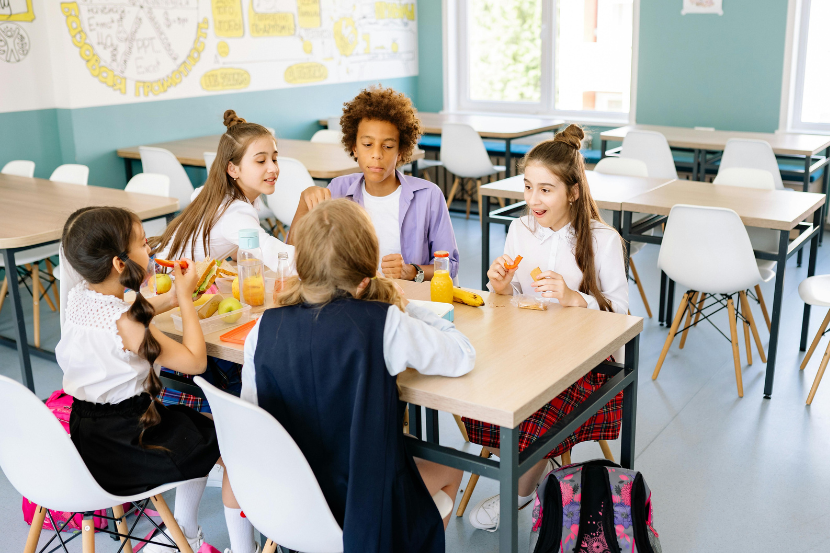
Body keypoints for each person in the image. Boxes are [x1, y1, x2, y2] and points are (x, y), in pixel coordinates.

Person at [240, 199, 474, 552]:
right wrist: (411, 309)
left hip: (289, 504)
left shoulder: (261, 329)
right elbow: (461, 355)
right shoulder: (384, 323)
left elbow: (253, 420)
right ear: (366, 278)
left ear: (301, 267)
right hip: (367, 510)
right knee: (450, 467)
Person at [57, 206, 257, 553]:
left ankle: (186, 531)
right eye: (143, 244)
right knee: (235, 443)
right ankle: (243, 549)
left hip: (88, 439)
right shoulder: (128, 324)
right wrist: (184, 300)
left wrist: (170, 299)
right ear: (121, 264)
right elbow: (194, 361)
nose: (150, 249)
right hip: (130, 444)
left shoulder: (79, 299)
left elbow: (127, 313)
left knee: (195, 428)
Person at [464, 125, 629, 532]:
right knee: (481, 384)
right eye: (528, 187)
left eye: (546, 190)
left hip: (584, 361)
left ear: (572, 191)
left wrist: (577, 298)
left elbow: (623, 312)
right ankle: (538, 460)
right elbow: (509, 299)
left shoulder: (603, 240)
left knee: (539, 402)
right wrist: (500, 287)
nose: (533, 199)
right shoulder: (519, 231)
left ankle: (518, 492)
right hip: (527, 349)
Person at [150, 110, 328, 414]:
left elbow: (266, 254)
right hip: (169, 297)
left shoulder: (226, 195)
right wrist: (338, 266)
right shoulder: (237, 213)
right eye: (260, 161)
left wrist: (300, 207)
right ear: (233, 169)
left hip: (164, 285)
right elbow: (283, 260)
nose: (272, 168)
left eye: (274, 157)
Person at [328, 86, 459, 281]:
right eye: (367, 145)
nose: (377, 154)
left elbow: (451, 266)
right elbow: (304, 257)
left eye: (388, 146)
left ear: (400, 152)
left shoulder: (428, 195)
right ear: (354, 148)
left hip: (408, 300)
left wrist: (412, 271)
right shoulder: (337, 190)